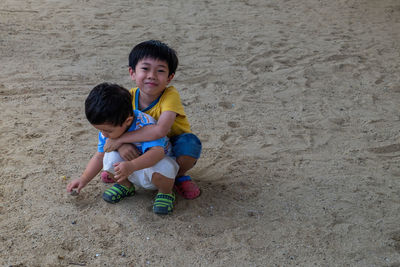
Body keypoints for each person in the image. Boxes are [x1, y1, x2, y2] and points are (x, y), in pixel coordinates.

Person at [103, 40, 202, 200]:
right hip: (143, 144)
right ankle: (124, 178)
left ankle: (178, 175)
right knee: (114, 140)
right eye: (145, 68)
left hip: (171, 145)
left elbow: (160, 131)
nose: (152, 76)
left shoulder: (170, 95)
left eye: (160, 71)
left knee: (190, 144)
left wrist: (121, 139)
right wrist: (122, 146)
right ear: (132, 73)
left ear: (170, 77)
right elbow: (111, 127)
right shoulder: (127, 97)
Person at [66, 82, 179, 215]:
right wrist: (83, 179)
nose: (103, 134)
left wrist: (132, 165)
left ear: (127, 121)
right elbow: (99, 156)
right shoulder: (108, 128)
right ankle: (126, 186)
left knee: (166, 166)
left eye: (107, 130)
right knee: (109, 158)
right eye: (100, 130)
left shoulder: (145, 123)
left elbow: (157, 153)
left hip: (154, 171)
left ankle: (165, 193)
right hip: (129, 170)